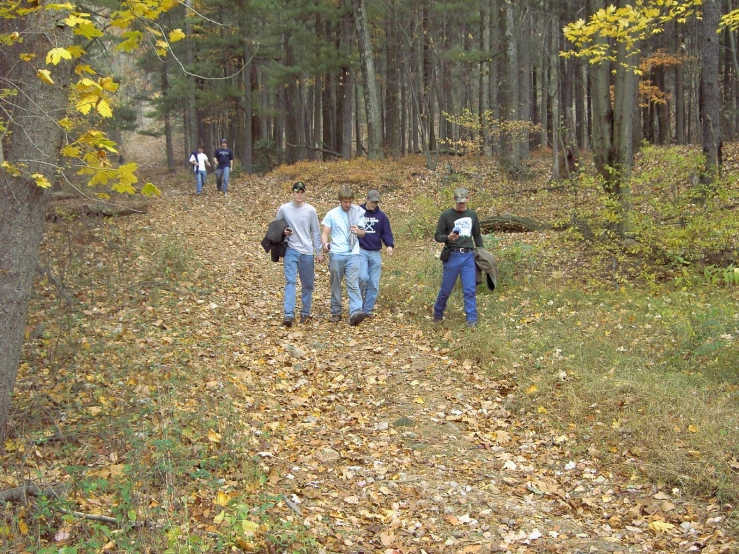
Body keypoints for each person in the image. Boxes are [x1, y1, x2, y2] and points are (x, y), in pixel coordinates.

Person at [433, 187, 484, 328]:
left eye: (463, 201)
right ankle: (438, 313)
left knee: (470, 289)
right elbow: (437, 236)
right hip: (453, 255)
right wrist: (448, 237)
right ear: (454, 200)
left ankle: (471, 319)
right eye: (459, 202)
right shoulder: (446, 215)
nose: (461, 204)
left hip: (468, 255)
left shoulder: (472, 215)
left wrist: (481, 252)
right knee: (446, 289)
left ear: (468, 199)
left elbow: (477, 235)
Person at [276, 182, 324, 327]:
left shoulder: (310, 210)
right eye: (297, 191)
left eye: (302, 192)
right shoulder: (284, 209)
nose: (299, 194)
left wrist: (319, 251)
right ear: (293, 192)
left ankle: (305, 311)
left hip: (307, 251)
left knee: (307, 283)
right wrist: (283, 232)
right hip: (290, 249)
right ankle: (288, 314)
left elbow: (315, 231)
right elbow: (276, 226)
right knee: (290, 281)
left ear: (304, 193)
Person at [321, 187, 367, 326]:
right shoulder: (332, 214)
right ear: (340, 201)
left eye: (349, 201)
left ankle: (355, 311)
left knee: (353, 283)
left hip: (353, 252)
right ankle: (336, 312)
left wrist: (358, 231)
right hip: (336, 252)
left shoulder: (358, 213)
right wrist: (324, 244)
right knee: (335, 283)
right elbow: (325, 232)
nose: (348, 204)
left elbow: (363, 233)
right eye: (345, 202)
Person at [358, 189, 394, 318]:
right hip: (361, 250)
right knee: (362, 277)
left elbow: (386, 232)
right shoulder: (358, 212)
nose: (374, 204)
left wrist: (389, 245)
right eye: (372, 202)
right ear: (366, 199)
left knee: (373, 282)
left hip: (375, 251)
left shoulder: (381, 216)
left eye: (376, 202)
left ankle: (367, 310)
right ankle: (357, 306)